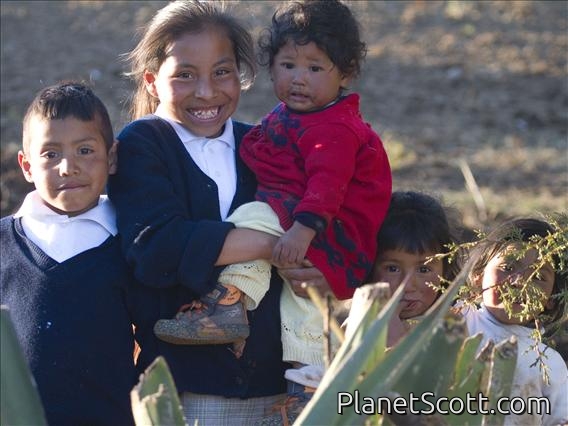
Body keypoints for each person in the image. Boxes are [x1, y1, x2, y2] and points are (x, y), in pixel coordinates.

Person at [106, 1, 328, 424]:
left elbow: (316, 229)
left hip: (281, 391)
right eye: (185, 75)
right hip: (187, 393)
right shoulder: (143, 145)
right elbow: (156, 248)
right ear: (153, 81)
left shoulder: (262, 145)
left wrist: (317, 267)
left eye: (222, 72)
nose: (207, 92)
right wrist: (273, 246)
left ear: (241, 77)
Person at [154, 0, 392, 392]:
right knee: (300, 306)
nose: (299, 79)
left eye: (315, 68)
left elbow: (326, 187)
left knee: (250, 216)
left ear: (345, 72)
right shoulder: (294, 114)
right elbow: (261, 146)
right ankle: (307, 378)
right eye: (288, 66)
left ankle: (230, 301)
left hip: (318, 226)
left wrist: (301, 231)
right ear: (271, 67)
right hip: (311, 229)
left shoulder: (334, 128)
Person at [0, 82, 137, 425]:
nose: (67, 167)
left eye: (85, 151)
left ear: (112, 156)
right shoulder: (3, 243)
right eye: (50, 153)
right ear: (27, 165)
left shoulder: (132, 242)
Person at [459, 217, 568, 426]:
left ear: (552, 300)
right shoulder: (456, 322)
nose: (520, 282)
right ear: (478, 276)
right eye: (508, 268)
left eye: (537, 277)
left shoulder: (549, 364)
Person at [345, 190, 461, 346]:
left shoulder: (457, 327)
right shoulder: (354, 327)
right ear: (369, 268)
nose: (407, 286)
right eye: (393, 269)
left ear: (445, 271)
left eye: (423, 270)